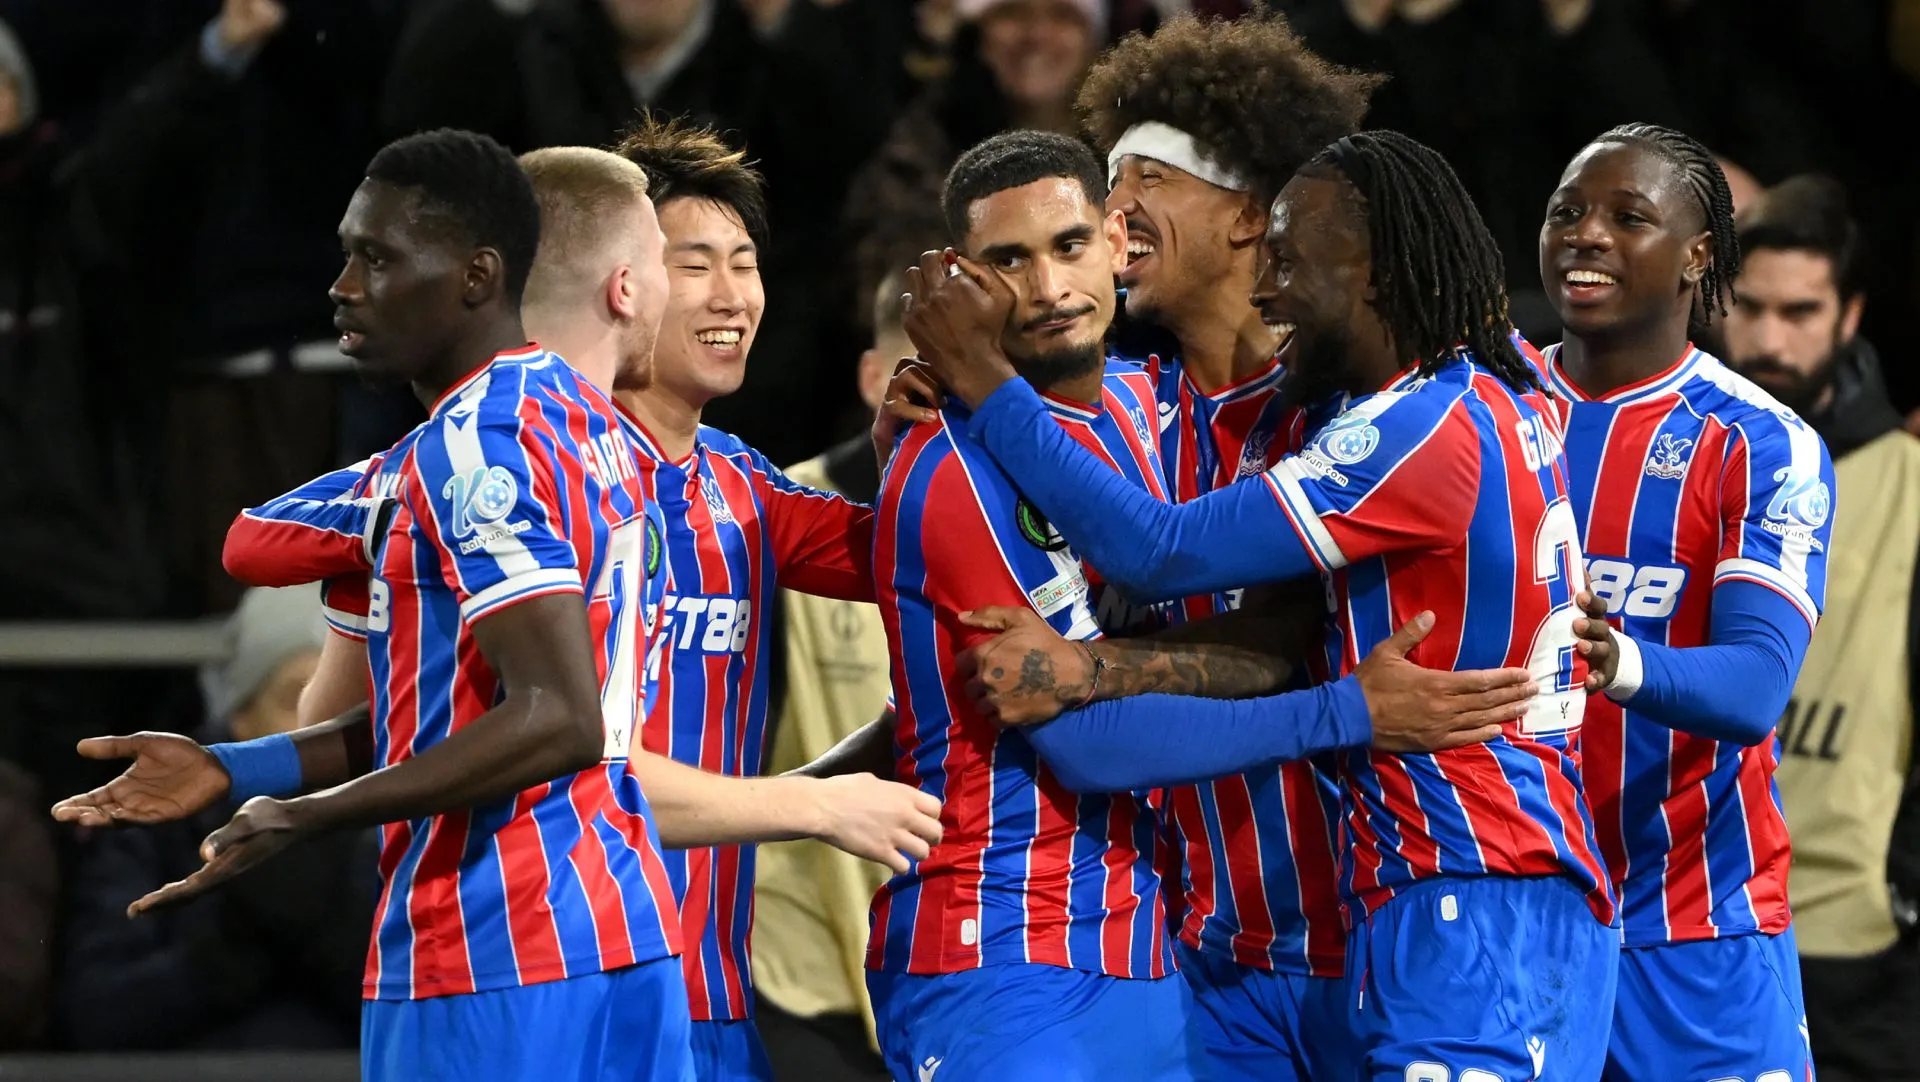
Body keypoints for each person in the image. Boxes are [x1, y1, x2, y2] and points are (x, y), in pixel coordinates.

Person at [901, 129, 1618, 1080]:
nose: (1268, 289)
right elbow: (1281, 632)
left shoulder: (1410, 428)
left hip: (1477, 881)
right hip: (1346, 915)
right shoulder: (1494, 383)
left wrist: (983, 379)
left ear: (1371, 271)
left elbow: (1157, 550)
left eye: (1288, 261)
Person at [220, 136, 941, 1081]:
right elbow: (261, 550)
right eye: (692, 265)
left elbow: (918, 558)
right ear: (622, 281)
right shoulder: (502, 464)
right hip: (534, 969)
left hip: (706, 1003)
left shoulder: (741, 489)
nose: (731, 295)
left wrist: (922, 455)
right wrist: (370, 554)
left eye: (745, 263)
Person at [53, 128, 696, 1082]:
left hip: (490, 949)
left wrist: (309, 816)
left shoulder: (470, 451)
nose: (343, 287)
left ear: (478, 276)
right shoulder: (586, 422)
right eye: (348, 255)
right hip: (624, 937)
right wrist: (237, 767)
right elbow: (455, 718)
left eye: (378, 259)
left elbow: (557, 717)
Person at [1534, 123, 1836, 1082]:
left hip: (1697, 925)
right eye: (1567, 213)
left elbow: (1754, 686)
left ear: (1700, 256)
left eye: (1628, 217)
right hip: (1513, 923)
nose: (1586, 235)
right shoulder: (1476, 412)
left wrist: (1614, 658)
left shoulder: (1760, 444)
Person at [1721, 174, 1920, 1082]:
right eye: (1751, 307)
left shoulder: (1907, 485)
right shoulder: (1664, 455)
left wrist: (1903, 889)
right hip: (1677, 922)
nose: (1770, 340)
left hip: (1851, 944)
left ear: (1850, 316)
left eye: (1800, 312)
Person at [58, 584, 377, 1052]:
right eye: (296, 698)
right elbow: (98, 1014)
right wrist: (234, 942)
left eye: (353, 707)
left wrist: (332, 939)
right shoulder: (151, 827)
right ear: (240, 719)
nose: (324, 728)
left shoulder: (416, 824)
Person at [749, 267, 912, 1082]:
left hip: (960, 957)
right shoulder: (780, 517)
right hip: (800, 969)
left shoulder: (1031, 523)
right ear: (873, 378)